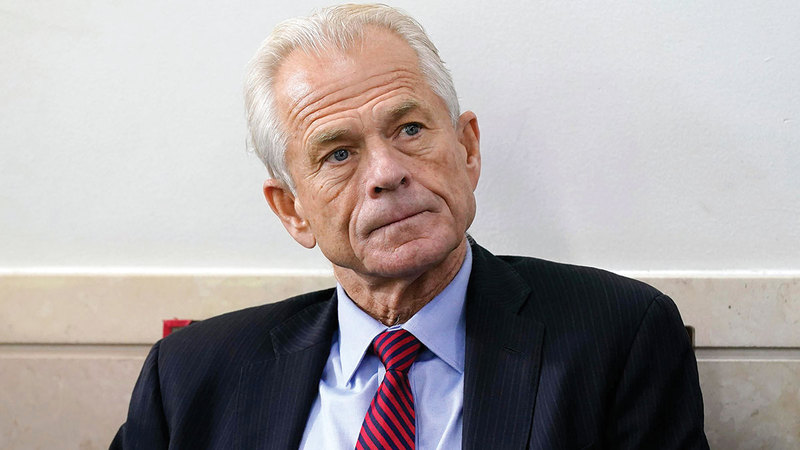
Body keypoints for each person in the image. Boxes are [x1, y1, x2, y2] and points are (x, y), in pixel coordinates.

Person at [112, 4, 708, 449]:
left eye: (410, 129)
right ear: (292, 209)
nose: (387, 173)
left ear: (468, 149)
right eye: (338, 153)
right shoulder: (189, 376)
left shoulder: (617, 338)